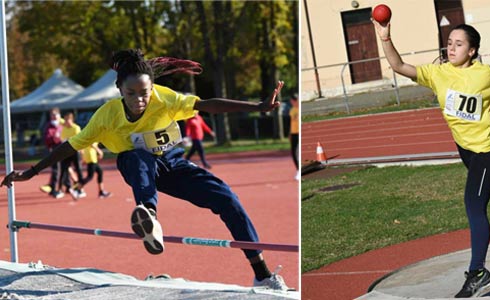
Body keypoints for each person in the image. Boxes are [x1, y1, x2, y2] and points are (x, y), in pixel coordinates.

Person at [1, 49, 290, 291]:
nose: (140, 100)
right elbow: (70, 146)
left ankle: (262, 273)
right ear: (119, 90)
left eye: (145, 93)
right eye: (132, 93)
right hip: (135, 167)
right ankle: (149, 215)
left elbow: (206, 105)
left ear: (152, 88)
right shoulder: (106, 116)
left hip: (173, 163)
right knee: (139, 156)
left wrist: (257, 106)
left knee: (226, 197)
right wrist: (32, 172)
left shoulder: (163, 98)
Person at [372, 21, 490, 297]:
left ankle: (478, 273)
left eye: (458, 44)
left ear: (472, 51)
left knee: (474, 205)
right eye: (449, 42)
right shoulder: (438, 73)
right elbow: (400, 67)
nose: (451, 48)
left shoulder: (483, 74)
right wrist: (385, 38)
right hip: (465, 150)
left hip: (486, 150)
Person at [58, 112, 86, 200]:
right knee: (63, 170)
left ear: (72, 120)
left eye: (68, 120)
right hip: (66, 152)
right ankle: (61, 189)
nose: (67, 122)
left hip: (75, 151)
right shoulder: (64, 129)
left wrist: (82, 153)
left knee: (78, 170)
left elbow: (79, 140)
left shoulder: (76, 128)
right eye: (65, 120)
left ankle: (80, 189)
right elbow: (62, 140)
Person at [39, 107, 64, 199]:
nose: (54, 116)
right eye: (52, 115)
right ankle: (53, 189)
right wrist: (56, 138)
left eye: (55, 114)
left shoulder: (62, 125)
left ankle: (66, 187)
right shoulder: (49, 126)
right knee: (56, 170)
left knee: (65, 168)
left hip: (64, 149)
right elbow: (48, 139)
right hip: (54, 150)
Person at [288, 94, 299, 180]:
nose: (291, 102)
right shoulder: (292, 110)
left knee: (298, 152)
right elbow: (291, 122)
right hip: (294, 133)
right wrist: (290, 133)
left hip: (299, 133)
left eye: (292, 101)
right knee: (293, 152)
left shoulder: (299, 109)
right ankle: (298, 169)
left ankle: (299, 168)